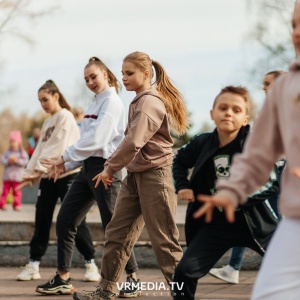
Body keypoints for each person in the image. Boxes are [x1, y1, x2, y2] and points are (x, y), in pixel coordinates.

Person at [195, 3, 300, 299]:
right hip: (295, 220)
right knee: (268, 294)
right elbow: (256, 154)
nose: (297, 32)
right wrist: (230, 191)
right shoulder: (285, 87)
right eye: (293, 25)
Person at [72, 51, 189, 300]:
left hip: (155, 177)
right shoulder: (138, 100)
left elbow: (133, 141)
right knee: (117, 233)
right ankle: (105, 289)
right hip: (135, 177)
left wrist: (110, 167)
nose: (123, 78)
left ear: (146, 74)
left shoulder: (149, 102)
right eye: (123, 72)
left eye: (129, 73)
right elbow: (130, 142)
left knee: (164, 242)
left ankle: (183, 294)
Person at [36, 57, 139, 297]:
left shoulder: (112, 102)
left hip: (107, 170)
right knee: (65, 220)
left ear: (105, 74)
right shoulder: (95, 104)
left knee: (114, 227)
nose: (90, 82)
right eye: (86, 79)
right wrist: (67, 163)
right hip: (87, 170)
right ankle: (63, 277)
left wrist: (64, 156)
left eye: (93, 77)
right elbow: (85, 142)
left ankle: (133, 277)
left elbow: (98, 141)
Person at [171, 86, 280, 300]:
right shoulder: (203, 142)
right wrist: (183, 186)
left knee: (289, 271)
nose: (229, 113)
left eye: (236, 110)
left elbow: (271, 181)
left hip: (256, 223)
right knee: (184, 272)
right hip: (216, 224)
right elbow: (180, 161)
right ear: (212, 114)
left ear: (245, 117)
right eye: (223, 108)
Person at [16, 80, 100, 289]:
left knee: (75, 220)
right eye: (39, 101)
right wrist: (30, 173)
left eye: (45, 99)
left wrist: (36, 172)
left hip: (67, 174)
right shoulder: (48, 121)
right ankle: (34, 264)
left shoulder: (65, 116)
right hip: (48, 176)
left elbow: (56, 148)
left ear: (56, 96)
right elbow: (39, 150)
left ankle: (90, 263)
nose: (42, 104)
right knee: (42, 217)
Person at [209, 70, 286, 285]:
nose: (264, 87)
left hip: (279, 173)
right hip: (267, 171)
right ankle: (234, 268)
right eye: (263, 83)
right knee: (250, 217)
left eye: (268, 83)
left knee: (272, 225)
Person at [0, 130, 29, 211]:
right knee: (5, 191)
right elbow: (2, 159)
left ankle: (17, 204)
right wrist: (8, 161)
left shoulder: (22, 153)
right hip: (7, 176)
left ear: (18, 142)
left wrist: (17, 161)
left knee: (17, 192)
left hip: (17, 177)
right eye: (11, 142)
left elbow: (25, 161)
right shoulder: (7, 152)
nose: (13, 143)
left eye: (14, 141)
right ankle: (2, 204)